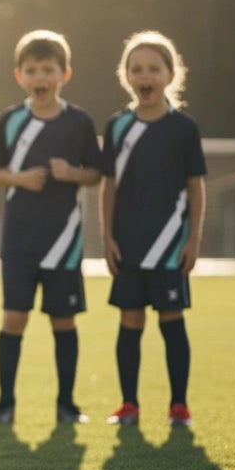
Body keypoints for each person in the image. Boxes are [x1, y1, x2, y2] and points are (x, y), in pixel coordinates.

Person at [0, 29, 102, 424]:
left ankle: (67, 406)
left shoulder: (79, 122)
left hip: (63, 242)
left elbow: (95, 175)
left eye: (47, 69)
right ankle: (4, 405)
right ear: (19, 76)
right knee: (13, 318)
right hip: (18, 241)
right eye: (31, 70)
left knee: (62, 321)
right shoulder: (11, 120)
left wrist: (70, 173)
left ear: (64, 74)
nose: (40, 78)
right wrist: (19, 179)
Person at [99, 30, 206, 427]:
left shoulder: (184, 128)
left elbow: (196, 186)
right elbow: (108, 186)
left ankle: (179, 406)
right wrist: (107, 237)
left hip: (170, 247)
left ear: (170, 74)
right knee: (130, 322)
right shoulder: (116, 127)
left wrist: (193, 239)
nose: (145, 75)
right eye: (136, 68)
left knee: (171, 321)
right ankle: (129, 405)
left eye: (153, 68)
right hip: (127, 245)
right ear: (126, 75)